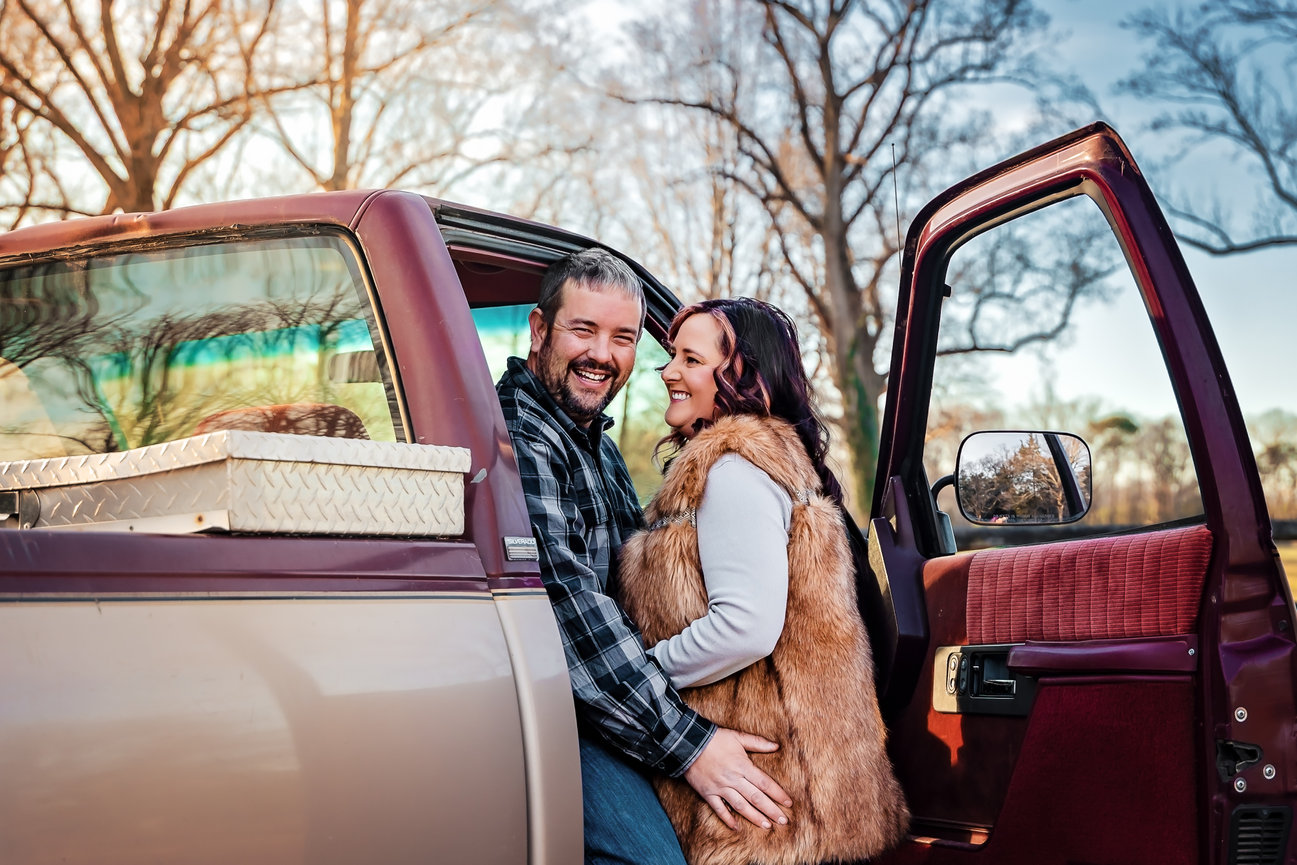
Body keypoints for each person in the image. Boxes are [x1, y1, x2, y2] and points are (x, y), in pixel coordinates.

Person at [495, 250, 793, 865]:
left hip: (615, 702)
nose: (603, 355)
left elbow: (635, 594)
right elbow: (570, 611)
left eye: (623, 337)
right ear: (538, 328)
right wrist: (691, 747)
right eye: (583, 329)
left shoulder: (592, 444)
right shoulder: (518, 439)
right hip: (554, 707)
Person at [616, 297, 910, 865]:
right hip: (788, 781)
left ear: (741, 376)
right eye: (672, 355)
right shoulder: (761, 464)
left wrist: (638, 678)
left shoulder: (733, 471)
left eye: (691, 359)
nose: (670, 371)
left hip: (765, 792)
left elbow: (744, 626)